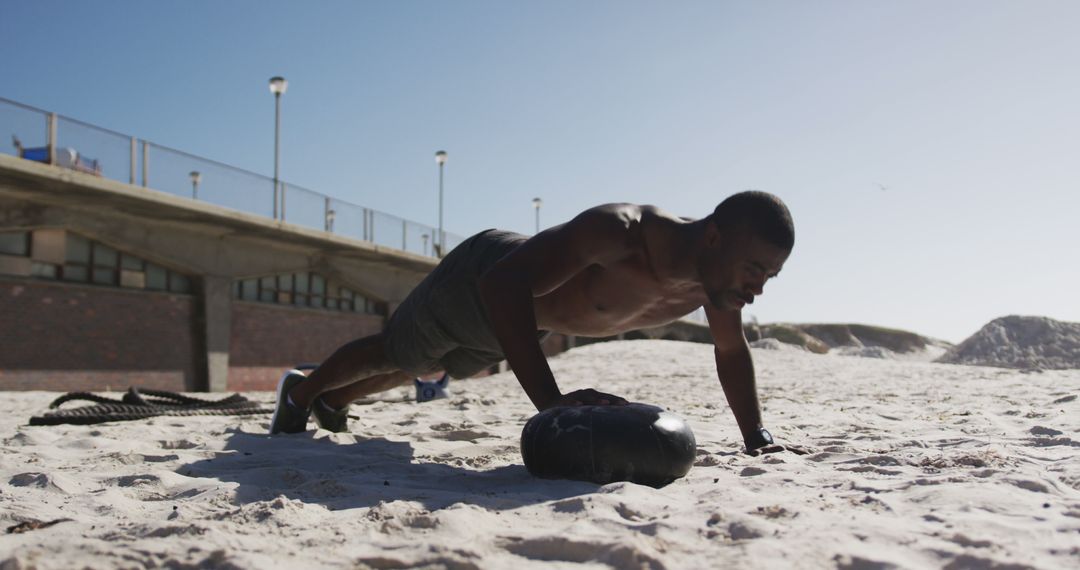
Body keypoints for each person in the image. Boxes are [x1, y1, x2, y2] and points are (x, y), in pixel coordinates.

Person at [270, 190, 795, 455]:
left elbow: (729, 352)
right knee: (401, 352)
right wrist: (552, 404)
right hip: (488, 275)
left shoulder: (716, 285)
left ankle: (333, 400)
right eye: (755, 269)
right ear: (713, 239)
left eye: (770, 275)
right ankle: (300, 394)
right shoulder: (622, 233)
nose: (759, 286)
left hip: (530, 316)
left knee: (430, 363)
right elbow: (504, 284)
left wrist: (757, 436)